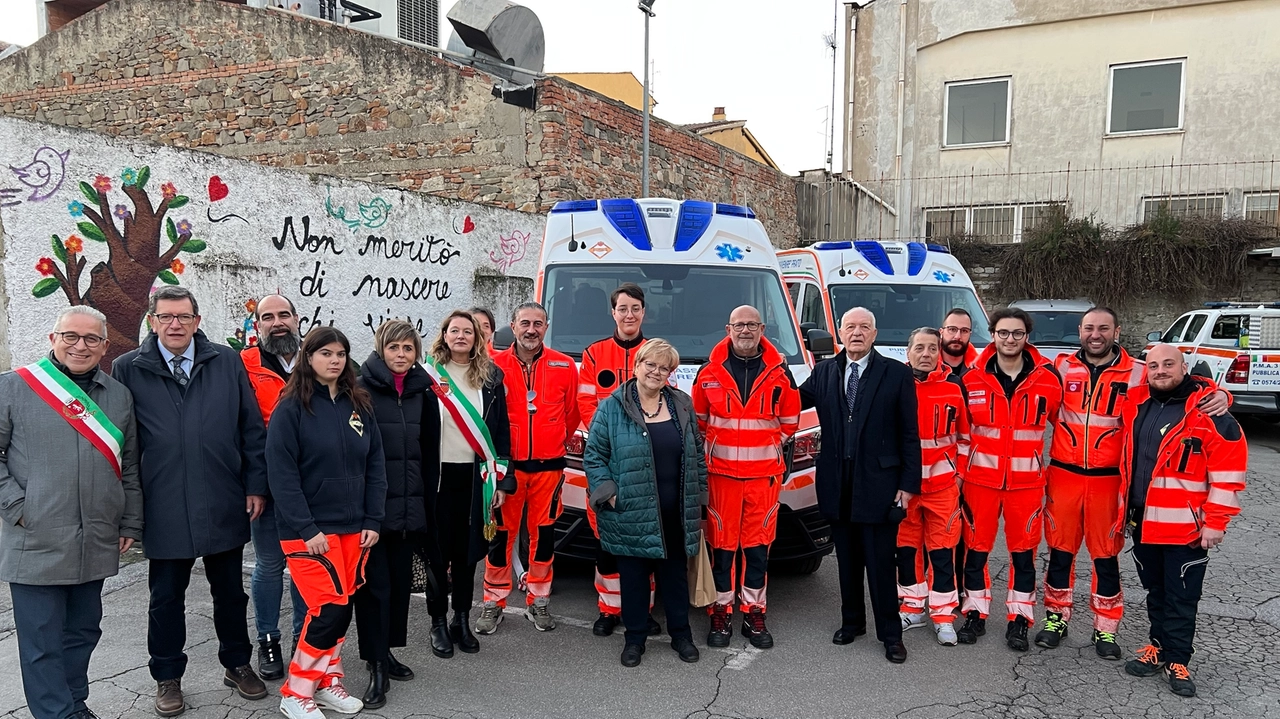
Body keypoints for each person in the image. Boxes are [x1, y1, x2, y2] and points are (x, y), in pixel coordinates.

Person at [111, 287, 268, 716]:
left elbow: (251, 428)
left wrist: (255, 484)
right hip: (162, 502)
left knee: (230, 593)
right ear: (153, 321)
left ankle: (237, 663)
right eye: (166, 317)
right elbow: (120, 442)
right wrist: (127, 508)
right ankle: (167, 676)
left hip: (222, 496)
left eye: (183, 316)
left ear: (197, 321)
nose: (175, 324)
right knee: (165, 597)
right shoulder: (128, 368)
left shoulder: (226, 361)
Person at [1, 306, 143, 719]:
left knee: (82, 631)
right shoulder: (14, 387)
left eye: (91, 339)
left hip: (95, 536)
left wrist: (130, 519)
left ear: (104, 346)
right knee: (42, 641)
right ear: (53, 339)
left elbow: (129, 464)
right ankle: (56, 713)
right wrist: (17, 506)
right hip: (36, 537)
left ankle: (73, 703)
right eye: (71, 336)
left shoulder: (117, 396)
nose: (80, 346)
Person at [266, 327, 387, 719]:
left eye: (340, 354)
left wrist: (373, 519)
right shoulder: (290, 408)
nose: (334, 360)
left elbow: (375, 466)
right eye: (325, 354)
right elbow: (281, 476)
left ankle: (326, 682)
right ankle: (296, 692)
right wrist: (307, 528)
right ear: (309, 357)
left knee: (343, 607)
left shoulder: (359, 404)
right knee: (327, 610)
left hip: (355, 529)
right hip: (311, 532)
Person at [1120, 343, 1246, 698]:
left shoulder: (1213, 414)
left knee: (1182, 597)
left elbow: (1229, 474)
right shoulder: (1137, 403)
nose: (1160, 371)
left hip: (1186, 529)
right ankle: (1157, 647)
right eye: (1154, 365)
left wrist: (1216, 522)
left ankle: (1178, 660)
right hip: (1143, 522)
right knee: (1155, 592)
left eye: (1169, 364)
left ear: (1185, 367)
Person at [799, 307, 920, 664]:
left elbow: (910, 435)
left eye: (864, 327)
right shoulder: (823, 371)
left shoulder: (896, 374)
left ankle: (891, 636)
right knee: (847, 562)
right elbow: (789, 400)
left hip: (880, 484)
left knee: (881, 564)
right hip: (838, 482)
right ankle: (852, 623)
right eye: (850, 326)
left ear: (874, 332)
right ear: (839, 331)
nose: (857, 333)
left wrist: (907, 484)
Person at [584, 339, 707, 668]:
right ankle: (634, 639)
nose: (656, 371)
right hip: (630, 511)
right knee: (634, 580)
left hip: (676, 511)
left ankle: (681, 635)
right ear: (636, 365)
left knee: (675, 577)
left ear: (671, 373)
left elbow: (697, 456)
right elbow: (594, 455)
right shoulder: (613, 406)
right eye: (650, 364)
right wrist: (609, 491)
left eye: (664, 367)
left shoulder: (681, 403)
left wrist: (701, 500)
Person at [954, 307, 1062, 652]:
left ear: (1026, 337)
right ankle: (975, 614)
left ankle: (1020, 620)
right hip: (979, 483)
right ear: (993, 335)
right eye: (1003, 333)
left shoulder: (1048, 379)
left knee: (1023, 557)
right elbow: (958, 432)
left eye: (1017, 333)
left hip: (1027, 485)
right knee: (976, 552)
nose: (1010, 339)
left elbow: (1069, 423)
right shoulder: (972, 377)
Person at [691, 306, 799, 649]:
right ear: (728, 329)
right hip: (721, 476)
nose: (746, 330)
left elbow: (791, 422)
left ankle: (754, 611)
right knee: (721, 549)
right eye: (739, 325)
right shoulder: (707, 374)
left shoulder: (781, 374)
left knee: (757, 549)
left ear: (762, 328)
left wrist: (764, 446)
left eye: (752, 325)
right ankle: (720, 611)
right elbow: (699, 423)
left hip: (763, 478)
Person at [478, 302, 581, 633]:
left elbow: (571, 415)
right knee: (500, 537)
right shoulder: (493, 365)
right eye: (525, 323)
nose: (531, 330)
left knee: (544, 537)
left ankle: (539, 599)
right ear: (513, 325)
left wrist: (551, 442)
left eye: (538, 323)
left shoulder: (565, 365)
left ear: (546, 327)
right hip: (508, 470)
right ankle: (493, 602)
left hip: (549, 469)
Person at [352, 320, 433, 708]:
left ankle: (388, 651)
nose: (401, 355)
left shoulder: (423, 392)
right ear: (381, 349)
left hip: (410, 507)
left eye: (408, 348)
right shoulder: (361, 390)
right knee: (374, 589)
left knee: (400, 586)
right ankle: (374, 663)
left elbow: (429, 453)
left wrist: (424, 508)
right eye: (394, 348)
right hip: (374, 510)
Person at [422, 311, 513, 657]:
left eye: (468, 331)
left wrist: (503, 483)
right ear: (444, 335)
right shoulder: (426, 375)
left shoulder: (490, 377)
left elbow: (501, 431)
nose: (461, 336)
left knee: (467, 554)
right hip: (438, 479)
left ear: (478, 337)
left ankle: (462, 618)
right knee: (437, 554)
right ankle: (437, 623)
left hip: (476, 479)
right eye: (454, 330)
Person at [577, 283, 659, 637]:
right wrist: (612, 442)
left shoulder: (655, 352)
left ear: (644, 312)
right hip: (607, 461)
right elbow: (585, 406)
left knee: (646, 540)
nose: (629, 314)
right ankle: (609, 609)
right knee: (606, 540)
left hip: (644, 464)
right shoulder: (594, 354)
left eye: (635, 308)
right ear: (613, 313)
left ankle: (644, 610)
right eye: (622, 308)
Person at [240, 294, 309, 680]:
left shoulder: (317, 355)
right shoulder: (243, 365)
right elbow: (241, 429)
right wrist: (252, 484)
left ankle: (304, 639)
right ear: (258, 325)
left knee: (304, 564)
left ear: (297, 319)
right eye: (268, 317)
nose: (277, 322)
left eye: (284, 314)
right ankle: (268, 639)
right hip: (265, 485)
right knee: (269, 564)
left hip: (310, 485)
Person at [895, 327, 966, 647]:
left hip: (942, 488)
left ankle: (943, 615)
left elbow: (965, 438)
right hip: (905, 489)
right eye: (919, 348)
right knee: (906, 553)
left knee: (942, 554)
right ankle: (912, 608)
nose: (926, 354)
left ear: (940, 354)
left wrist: (959, 476)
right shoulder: (896, 387)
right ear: (907, 353)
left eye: (932, 349)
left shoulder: (954, 389)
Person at [939, 308, 978, 378]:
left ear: (970, 334)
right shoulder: (926, 367)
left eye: (964, 331)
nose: (957, 336)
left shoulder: (982, 369)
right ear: (941, 332)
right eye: (952, 329)